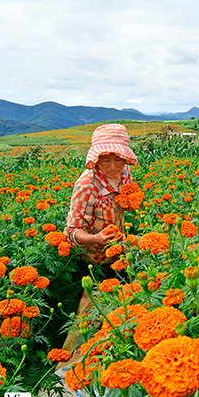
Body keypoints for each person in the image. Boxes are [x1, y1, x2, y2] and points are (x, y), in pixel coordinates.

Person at [60, 123, 137, 352]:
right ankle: (78, 358)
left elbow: (127, 199)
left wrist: (132, 202)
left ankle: (117, 349)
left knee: (121, 309)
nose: (113, 167)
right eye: (106, 160)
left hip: (119, 253)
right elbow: (72, 232)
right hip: (91, 261)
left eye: (118, 159)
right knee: (89, 314)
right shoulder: (87, 185)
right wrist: (95, 239)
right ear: (96, 159)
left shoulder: (125, 173)